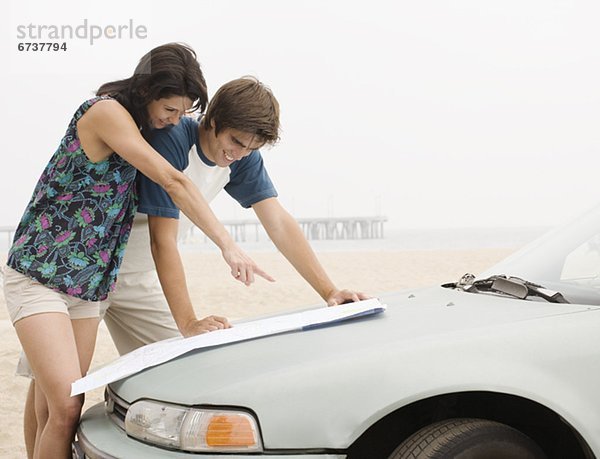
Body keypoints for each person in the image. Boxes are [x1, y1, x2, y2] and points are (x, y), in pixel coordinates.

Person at [4, 45, 270, 459]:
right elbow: (173, 181)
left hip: (88, 284)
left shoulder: (149, 130)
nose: (173, 121)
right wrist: (228, 245)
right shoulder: (105, 113)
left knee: (52, 407)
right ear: (146, 89)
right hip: (41, 272)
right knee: (66, 405)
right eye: (169, 108)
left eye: (182, 113)